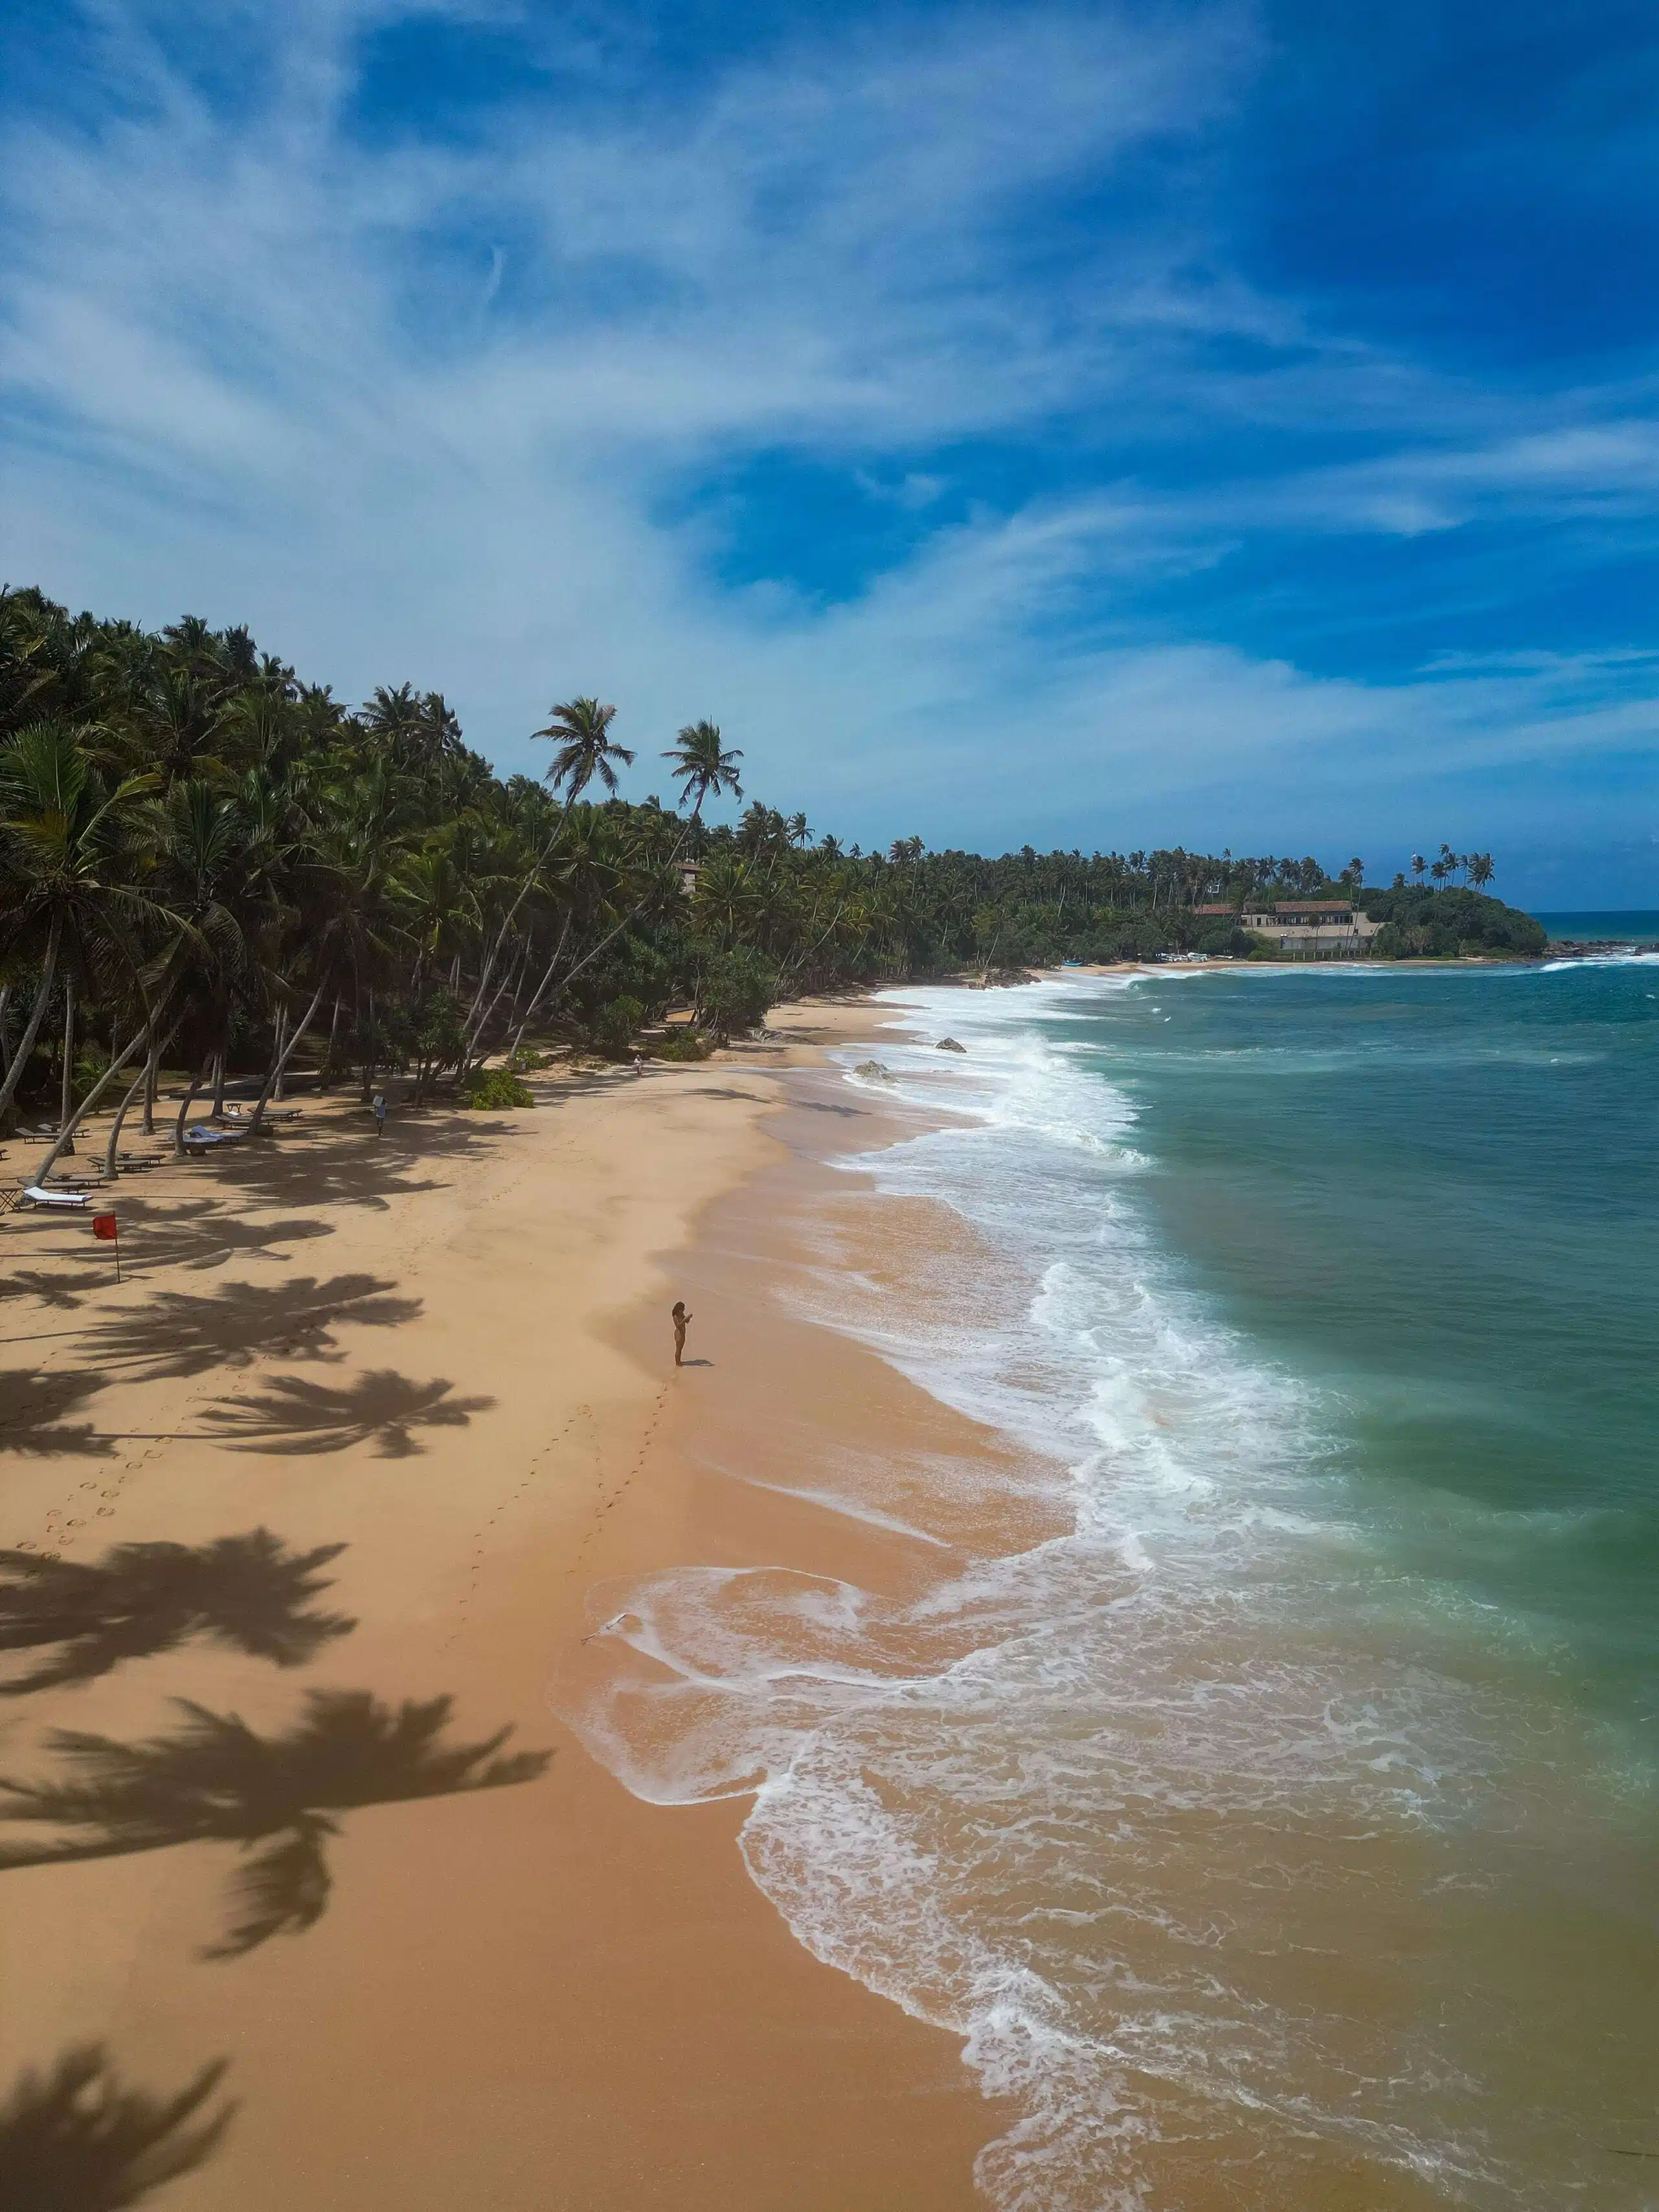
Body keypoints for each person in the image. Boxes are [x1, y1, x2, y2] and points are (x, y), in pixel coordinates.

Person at [671, 1300, 692, 1366]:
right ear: (679, 1309)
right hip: (679, 1334)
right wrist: (685, 1319)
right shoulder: (675, 1316)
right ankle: (677, 1363)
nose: (684, 1310)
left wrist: (688, 1318)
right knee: (678, 1349)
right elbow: (678, 1325)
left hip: (683, 1334)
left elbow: (687, 1322)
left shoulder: (681, 1314)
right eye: (683, 1308)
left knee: (681, 1349)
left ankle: (679, 1361)